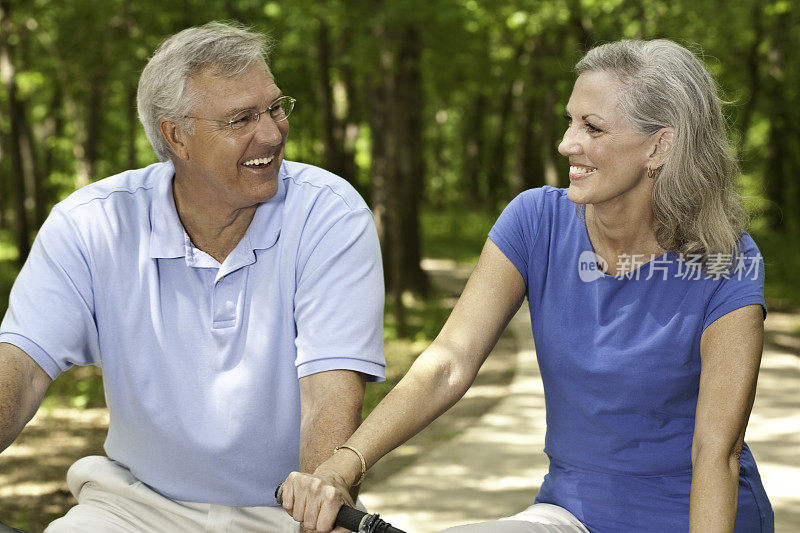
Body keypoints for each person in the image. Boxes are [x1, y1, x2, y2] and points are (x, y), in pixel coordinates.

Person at [280, 39, 774, 532]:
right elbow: (448, 364)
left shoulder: (727, 261)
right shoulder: (536, 220)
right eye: (570, 120)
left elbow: (717, 451)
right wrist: (341, 467)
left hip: (697, 517)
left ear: (659, 146)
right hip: (569, 513)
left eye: (592, 127)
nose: (566, 143)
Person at [0, 21, 385, 532]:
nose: (271, 133)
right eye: (241, 118)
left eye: (274, 108)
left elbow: (329, 393)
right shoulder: (92, 223)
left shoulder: (329, 213)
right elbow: (22, 370)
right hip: (130, 507)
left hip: (284, 515)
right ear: (176, 136)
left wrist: (319, 508)